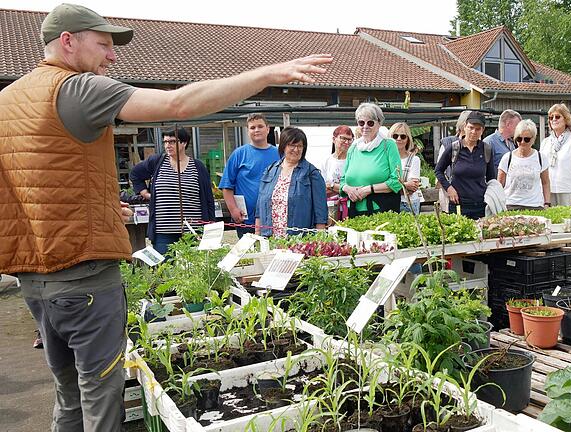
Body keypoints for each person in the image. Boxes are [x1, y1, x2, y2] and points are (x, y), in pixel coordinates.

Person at [0, 4, 331, 430]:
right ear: (68, 42)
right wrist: (264, 74)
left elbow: (30, 181)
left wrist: (91, 206)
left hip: (35, 281)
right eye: (102, 45)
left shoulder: (8, 99)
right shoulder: (77, 88)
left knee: (68, 399)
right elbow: (177, 103)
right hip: (83, 278)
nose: (112, 57)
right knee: (101, 400)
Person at [129, 127, 215, 255]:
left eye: (172, 142)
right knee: (165, 269)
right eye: (165, 142)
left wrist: (210, 227)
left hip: (192, 229)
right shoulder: (157, 162)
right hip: (163, 230)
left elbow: (208, 199)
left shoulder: (198, 167)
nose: (167, 145)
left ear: (184, 143)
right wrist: (145, 194)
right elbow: (135, 174)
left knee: (192, 268)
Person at [254, 127, 327, 237]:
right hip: (270, 238)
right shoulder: (270, 171)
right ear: (283, 146)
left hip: (298, 240)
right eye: (292, 145)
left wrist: (320, 239)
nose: (296, 149)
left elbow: (320, 212)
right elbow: (260, 206)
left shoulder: (312, 174)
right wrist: (257, 234)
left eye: (300, 146)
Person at [218, 113, 280, 237]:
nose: (256, 130)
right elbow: (227, 186)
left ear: (268, 129)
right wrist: (233, 210)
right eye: (252, 127)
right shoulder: (239, 154)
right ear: (247, 131)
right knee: (249, 255)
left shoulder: (279, 154)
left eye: (260, 126)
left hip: (274, 219)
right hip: (246, 220)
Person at [340, 103, 403, 217]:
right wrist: (348, 189)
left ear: (379, 124)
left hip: (381, 210)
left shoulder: (388, 145)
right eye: (361, 122)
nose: (365, 126)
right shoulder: (353, 148)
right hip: (354, 211)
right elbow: (342, 180)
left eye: (370, 122)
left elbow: (397, 181)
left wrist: (368, 189)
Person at [435, 111, 495, 219]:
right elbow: (438, 171)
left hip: (480, 205)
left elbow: (492, 178)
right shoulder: (454, 148)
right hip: (458, 203)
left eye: (478, 129)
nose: (473, 132)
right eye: (471, 127)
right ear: (465, 127)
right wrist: (449, 188)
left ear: (483, 130)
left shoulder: (487, 149)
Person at [539, 104, 571, 207]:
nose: (554, 119)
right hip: (548, 193)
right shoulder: (545, 142)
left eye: (557, 116)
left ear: (566, 119)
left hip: (569, 192)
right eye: (550, 117)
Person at [497, 119, 551, 210]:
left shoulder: (541, 158)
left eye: (526, 139)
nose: (522, 142)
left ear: (533, 139)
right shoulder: (507, 158)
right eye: (519, 138)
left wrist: (547, 203)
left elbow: (545, 182)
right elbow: (499, 184)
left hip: (535, 206)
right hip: (510, 205)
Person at [390, 122, 423, 214]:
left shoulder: (414, 159)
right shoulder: (384, 159)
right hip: (390, 202)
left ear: (408, 139)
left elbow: (412, 188)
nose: (399, 139)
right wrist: (405, 185)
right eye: (395, 136)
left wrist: (391, 187)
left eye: (403, 136)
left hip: (408, 203)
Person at [322, 125, 354, 196]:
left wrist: (331, 185)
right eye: (343, 138)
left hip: (349, 204)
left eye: (349, 139)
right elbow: (322, 187)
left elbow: (353, 189)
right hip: (331, 204)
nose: (346, 142)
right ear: (334, 139)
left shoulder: (354, 160)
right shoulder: (327, 161)